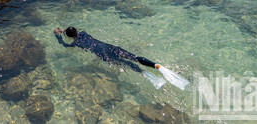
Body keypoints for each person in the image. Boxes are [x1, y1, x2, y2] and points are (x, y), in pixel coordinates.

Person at [54, 26, 189, 90]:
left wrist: (58, 35)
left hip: (104, 55)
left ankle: (145, 73)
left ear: (70, 36)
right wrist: (65, 30)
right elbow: (75, 32)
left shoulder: (76, 43)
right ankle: (156, 66)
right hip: (110, 47)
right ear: (77, 31)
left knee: (126, 64)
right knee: (134, 57)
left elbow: (65, 44)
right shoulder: (83, 33)